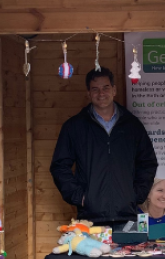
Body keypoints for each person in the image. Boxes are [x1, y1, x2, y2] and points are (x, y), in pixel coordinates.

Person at [50, 67, 157, 228]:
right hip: (90, 218)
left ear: (114, 90)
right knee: (91, 254)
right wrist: (80, 197)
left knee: (128, 253)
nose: (101, 93)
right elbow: (59, 166)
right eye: (95, 89)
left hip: (126, 216)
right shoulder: (74, 127)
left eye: (106, 87)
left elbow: (147, 162)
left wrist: (135, 195)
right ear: (88, 93)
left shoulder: (132, 125)